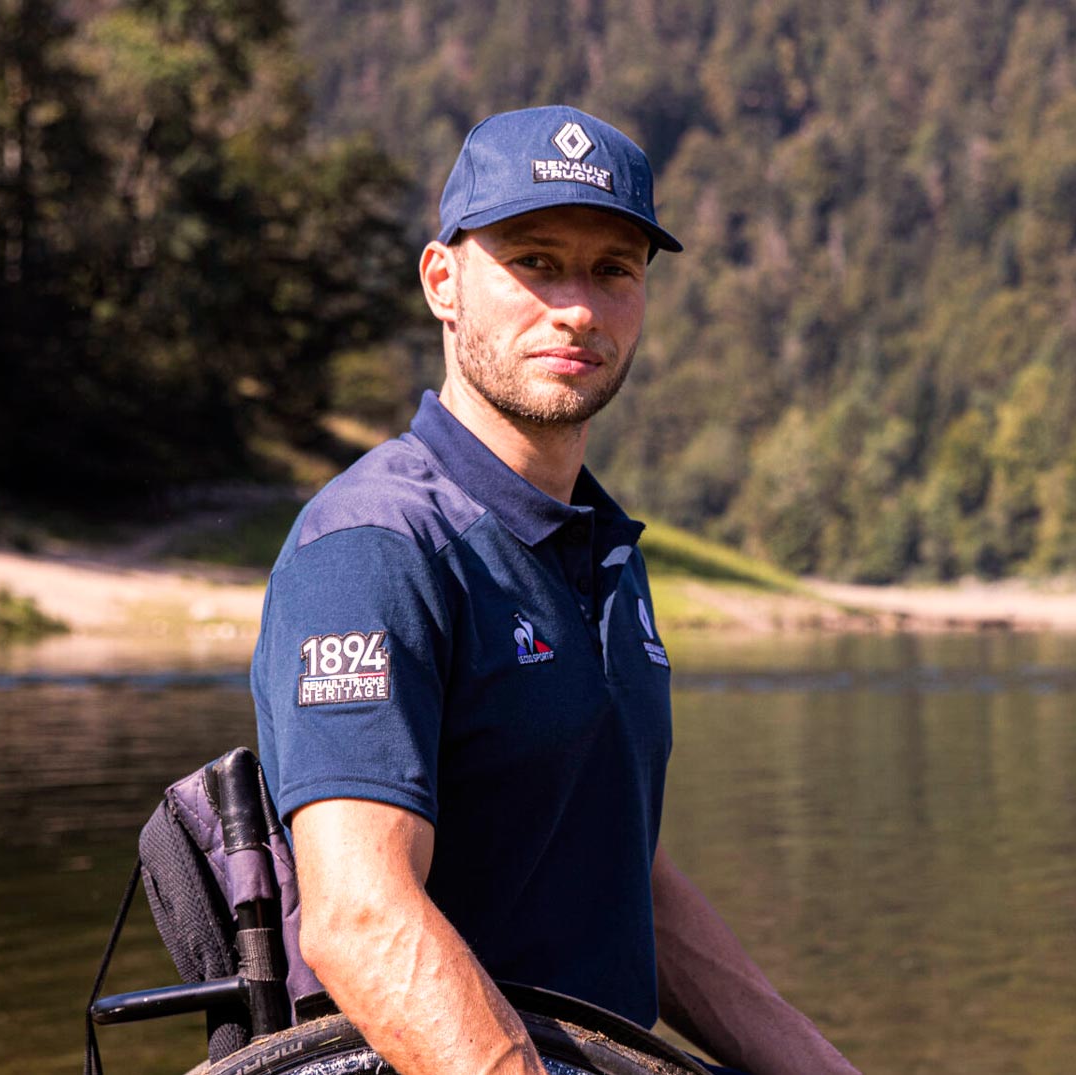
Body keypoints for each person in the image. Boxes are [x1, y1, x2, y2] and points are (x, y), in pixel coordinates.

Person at [251, 105, 861, 1075]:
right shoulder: (371, 546)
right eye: (535, 262)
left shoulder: (608, 552)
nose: (576, 307)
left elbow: (634, 889)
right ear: (442, 282)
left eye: (613, 270)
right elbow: (360, 917)